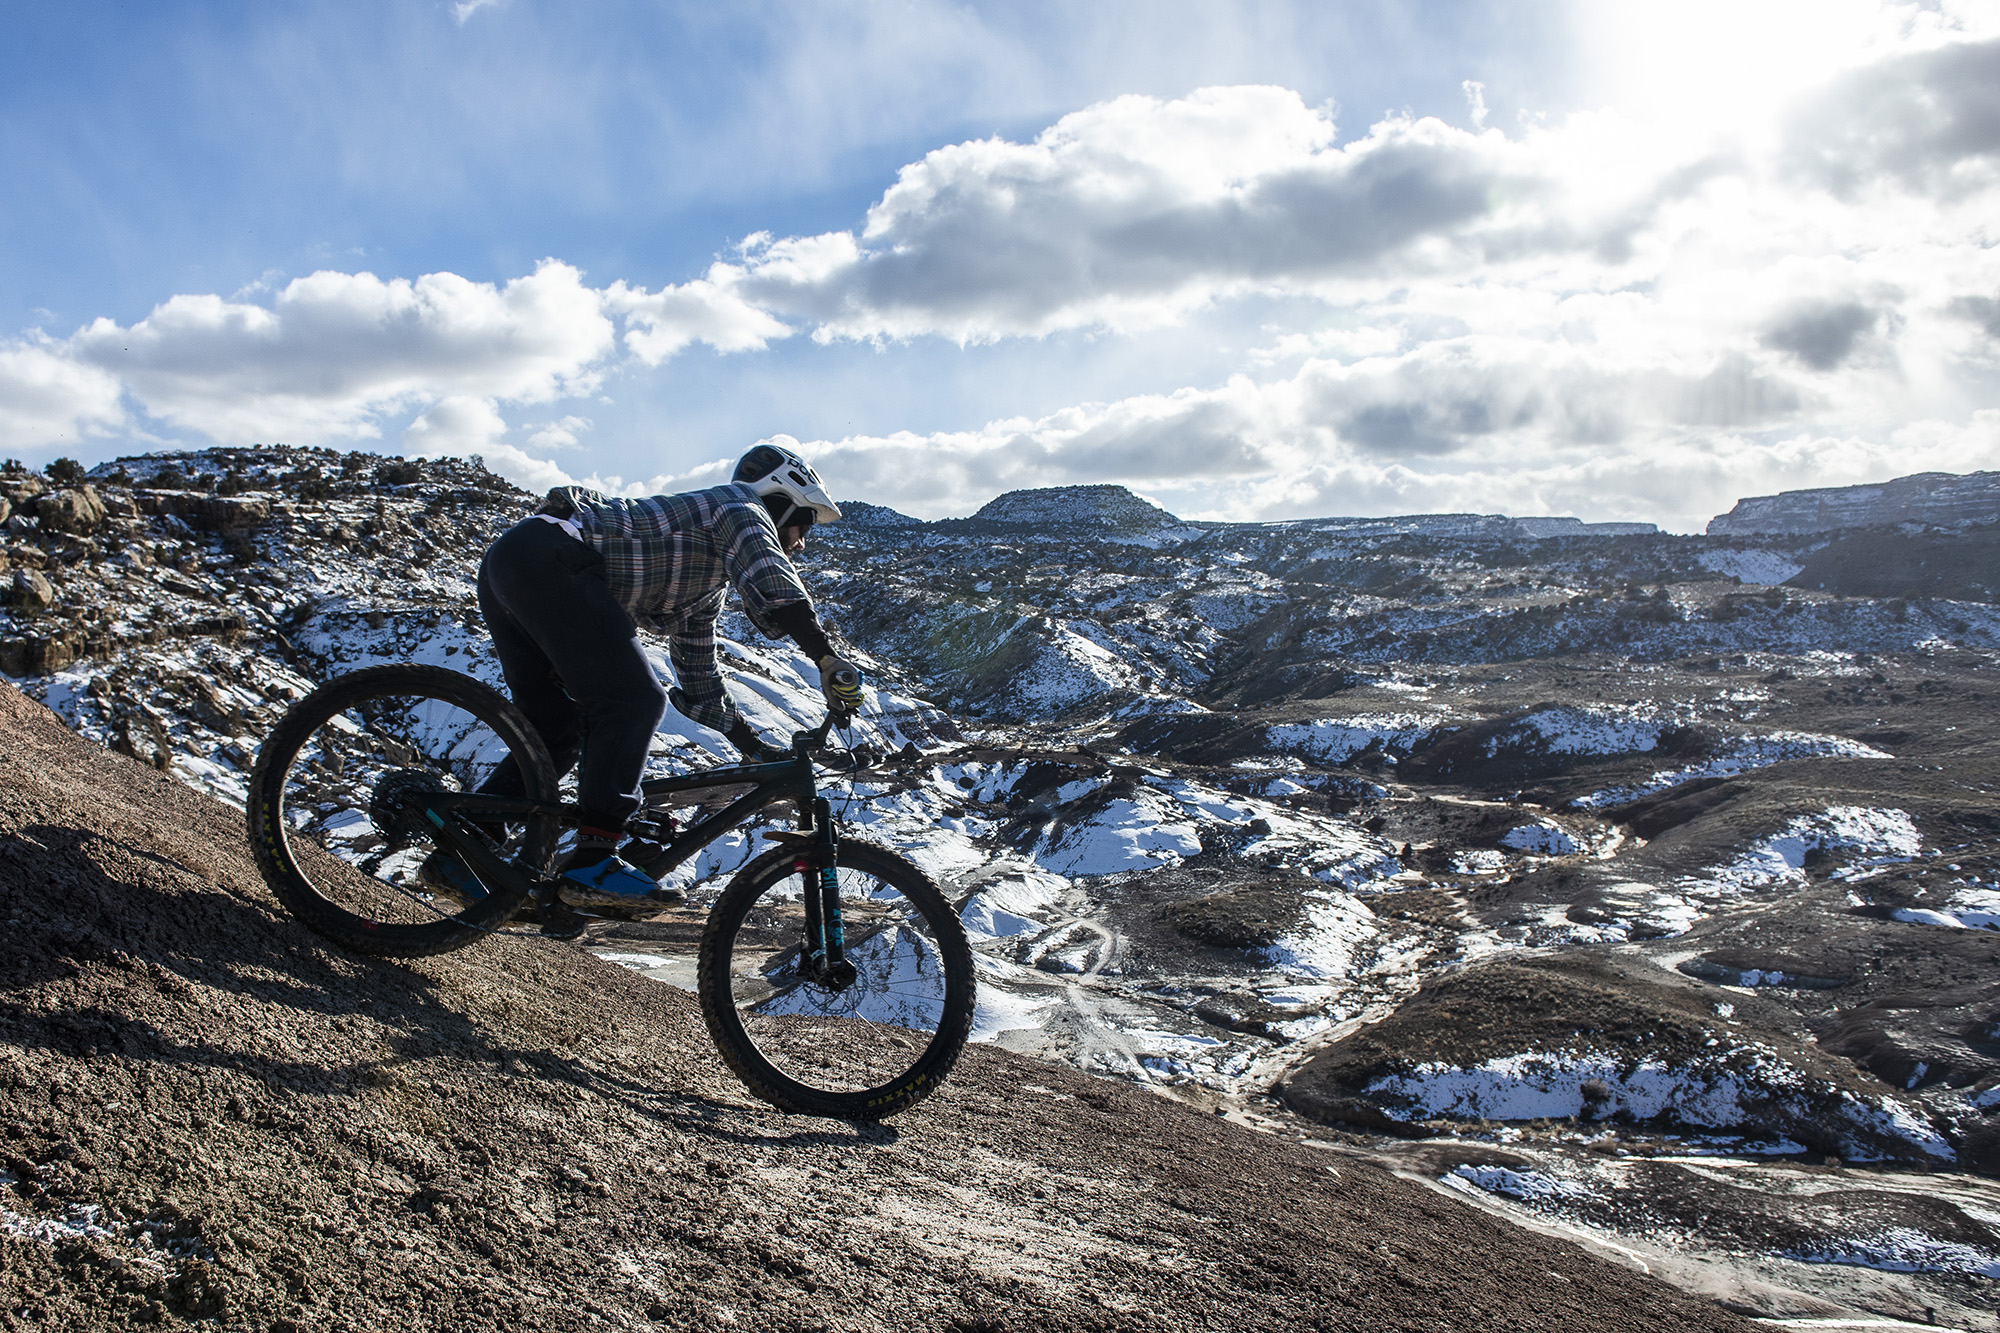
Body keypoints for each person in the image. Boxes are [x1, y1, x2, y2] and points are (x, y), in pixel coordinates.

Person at [422, 441, 865, 911]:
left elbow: (699, 679)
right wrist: (826, 658)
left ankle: (462, 852)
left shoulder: (703, 585)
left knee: (557, 730)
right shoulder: (741, 506)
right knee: (634, 700)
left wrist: (752, 745)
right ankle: (594, 859)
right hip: (550, 556)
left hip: (513, 565)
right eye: (804, 524)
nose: (799, 542)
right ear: (780, 500)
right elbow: (775, 583)